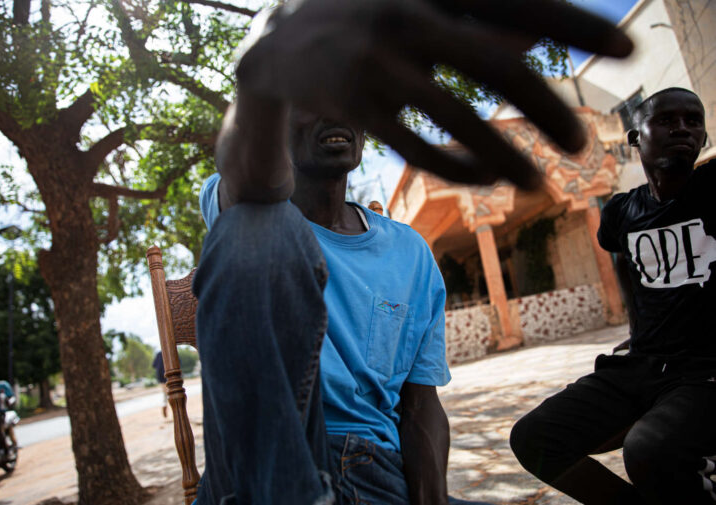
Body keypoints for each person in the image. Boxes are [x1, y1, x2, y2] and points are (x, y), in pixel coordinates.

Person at [191, 2, 633, 504]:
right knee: (255, 222)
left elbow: (421, 403)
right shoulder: (238, 198)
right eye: (315, 97)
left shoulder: (409, 253)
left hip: (374, 474)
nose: (336, 111)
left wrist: (433, 498)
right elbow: (252, 182)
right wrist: (263, 80)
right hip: (258, 473)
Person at [509, 88, 716, 505]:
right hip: (644, 366)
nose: (682, 127)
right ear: (635, 137)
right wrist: (637, 324)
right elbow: (626, 263)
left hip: (708, 370)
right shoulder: (622, 213)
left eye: (693, 120)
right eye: (666, 119)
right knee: (534, 437)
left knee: (650, 450)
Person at [152, 351, 168, 418]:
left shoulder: (158, 354)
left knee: (165, 394)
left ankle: (164, 405)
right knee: (172, 393)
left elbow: (153, 365)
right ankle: (169, 407)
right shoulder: (170, 351)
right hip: (170, 375)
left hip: (161, 377)